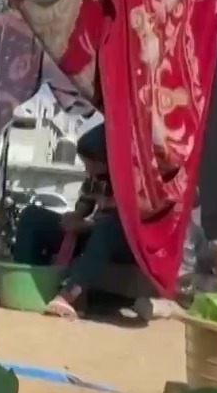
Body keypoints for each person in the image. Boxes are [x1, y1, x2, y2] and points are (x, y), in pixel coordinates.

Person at [44, 123, 153, 323]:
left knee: (106, 229)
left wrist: (87, 225)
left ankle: (69, 295)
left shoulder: (132, 179)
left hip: (127, 243)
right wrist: (75, 217)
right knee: (34, 217)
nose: (88, 169)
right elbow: (84, 205)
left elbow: (124, 222)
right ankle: (30, 285)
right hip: (97, 232)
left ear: (107, 157)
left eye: (92, 164)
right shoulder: (95, 178)